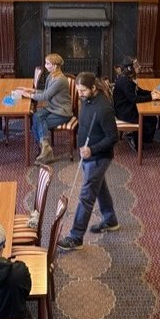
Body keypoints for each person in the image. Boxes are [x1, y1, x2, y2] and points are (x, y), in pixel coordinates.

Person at [57, 72, 119, 251]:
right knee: (99, 188)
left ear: (93, 88)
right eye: (78, 90)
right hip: (87, 155)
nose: (80, 94)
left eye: (83, 90)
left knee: (86, 196)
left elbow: (113, 137)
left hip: (99, 157)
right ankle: (110, 220)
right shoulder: (87, 99)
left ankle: (75, 237)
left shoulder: (103, 108)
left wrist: (92, 149)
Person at [17, 53, 72, 164]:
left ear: (55, 66)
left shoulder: (60, 80)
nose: (45, 65)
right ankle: (46, 150)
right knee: (36, 118)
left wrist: (29, 95)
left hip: (62, 112)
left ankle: (46, 151)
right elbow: (46, 93)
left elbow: (45, 97)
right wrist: (32, 90)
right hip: (52, 108)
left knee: (38, 124)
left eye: (48, 63)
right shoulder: (51, 76)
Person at [113, 56, 160, 151]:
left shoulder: (127, 78)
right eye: (136, 66)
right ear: (130, 69)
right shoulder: (125, 82)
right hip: (125, 112)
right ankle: (136, 140)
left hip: (127, 107)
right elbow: (134, 99)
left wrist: (151, 92)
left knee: (152, 119)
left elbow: (137, 90)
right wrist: (151, 97)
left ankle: (142, 139)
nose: (139, 67)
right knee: (147, 121)